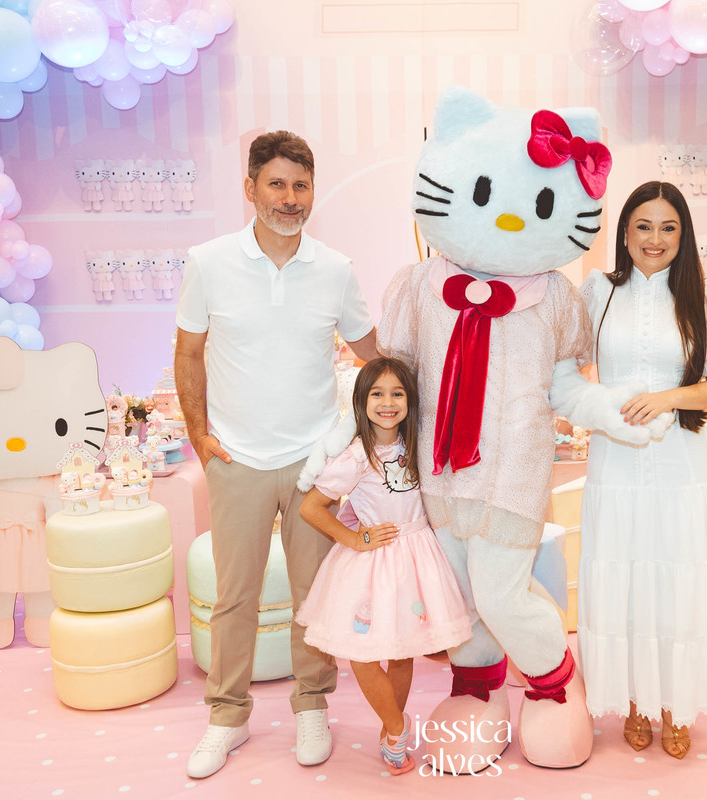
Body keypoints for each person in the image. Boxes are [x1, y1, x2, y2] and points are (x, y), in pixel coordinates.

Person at [176, 130, 379, 779]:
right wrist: (200, 436)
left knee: (313, 594)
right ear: (251, 188)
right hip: (235, 459)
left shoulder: (336, 269)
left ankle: (312, 706)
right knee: (234, 596)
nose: (290, 198)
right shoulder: (208, 262)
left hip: (314, 462)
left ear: (312, 192)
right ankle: (227, 717)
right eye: (277, 184)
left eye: (301, 186)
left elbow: (373, 353)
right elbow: (188, 352)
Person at [577, 181, 707, 757]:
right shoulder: (597, 290)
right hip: (616, 461)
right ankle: (634, 701)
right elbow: (569, 368)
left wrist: (668, 398)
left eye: (668, 227)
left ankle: (675, 704)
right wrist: (596, 408)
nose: (655, 238)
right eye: (643, 226)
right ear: (624, 233)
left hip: (679, 461)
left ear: (683, 234)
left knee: (677, 578)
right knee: (622, 574)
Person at [297, 357, 472, 775]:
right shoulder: (355, 457)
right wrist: (356, 538)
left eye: (397, 393)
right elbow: (311, 507)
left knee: (402, 650)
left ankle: (391, 737)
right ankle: (397, 726)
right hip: (373, 564)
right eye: (377, 393)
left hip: (417, 559)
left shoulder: (417, 447)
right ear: (361, 401)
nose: (388, 402)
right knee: (362, 655)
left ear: (410, 401)